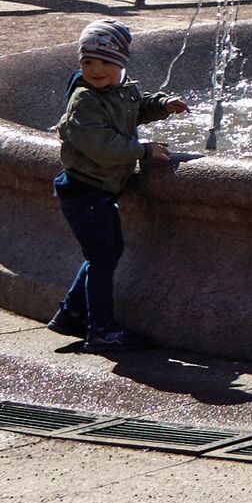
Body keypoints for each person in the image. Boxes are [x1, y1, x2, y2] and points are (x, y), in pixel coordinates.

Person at [45, 19, 189, 353]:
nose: (96, 69)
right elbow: (102, 145)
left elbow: (134, 109)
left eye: (106, 62)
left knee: (104, 255)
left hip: (98, 191)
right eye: (87, 62)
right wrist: (143, 150)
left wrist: (162, 105)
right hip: (84, 191)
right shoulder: (84, 102)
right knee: (103, 259)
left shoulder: (119, 91)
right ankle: (101, 330)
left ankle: (70, 315)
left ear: (122, 64)